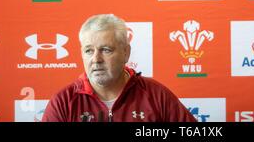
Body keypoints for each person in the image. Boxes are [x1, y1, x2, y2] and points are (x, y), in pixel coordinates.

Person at [42, 14, 197, 122]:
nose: (96, 59)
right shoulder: (63, 102)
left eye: (106, 50)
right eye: (89, 50)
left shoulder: (156, 96)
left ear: (126, 53)